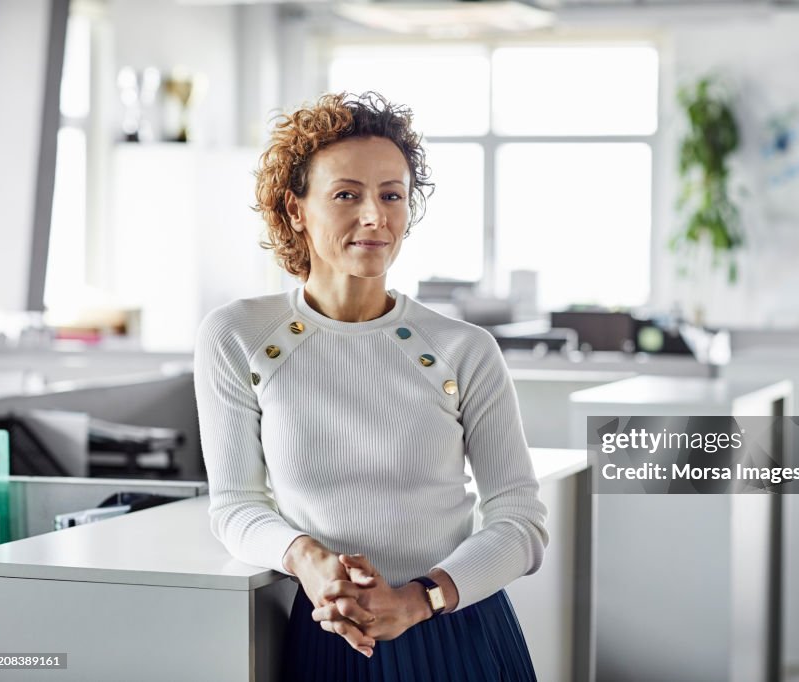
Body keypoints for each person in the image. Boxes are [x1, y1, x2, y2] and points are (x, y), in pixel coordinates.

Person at [193, 91, 548, 681]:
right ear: (296, 208)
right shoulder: (237, 337)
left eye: (391, 195)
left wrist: (418, 599)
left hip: (456, 635)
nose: (374, 217)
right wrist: (304, 558)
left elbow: (520, 522)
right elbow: (235, 506)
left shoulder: (464, 349)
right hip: (330, 639)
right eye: (346, 195)